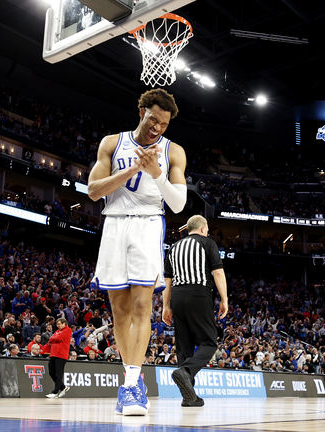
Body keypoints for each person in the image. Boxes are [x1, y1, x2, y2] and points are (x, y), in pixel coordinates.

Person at [87, 88, 187, 416]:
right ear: (141, 109)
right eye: (153, 119)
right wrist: (131, 170)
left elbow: (178, 204)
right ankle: (133, 377)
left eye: (164, 123)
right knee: (120, 310)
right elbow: (93, 191)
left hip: (147, 224)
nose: (158, 127)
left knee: (143, 305)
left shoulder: (174, 153)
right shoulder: (112, 143)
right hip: (114, 223)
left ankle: (130, 386)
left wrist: (156, 173)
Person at [162, 215, 228, 408]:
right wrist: (224, 299)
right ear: (202, 229)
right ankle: (187, 371)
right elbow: (217, 272)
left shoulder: (173, 248)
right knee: (209, 342)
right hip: (199, 293)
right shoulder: (207, 243)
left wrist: (166, 306)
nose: (207, 233)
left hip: (177, 297)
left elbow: (168, 280)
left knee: (184, 347)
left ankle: (189, 396)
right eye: (207, 230)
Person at [46, 318, 72, 399]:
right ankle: (63, 387)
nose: (58, 326)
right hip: (53, 353)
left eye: (60, 324)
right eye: (57, 324)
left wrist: (56, 338)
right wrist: (56, 338)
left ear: (64, 323)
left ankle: (55, 392)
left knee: (58, 373)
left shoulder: (68, 330)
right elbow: (50, 339)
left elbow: (56, 338)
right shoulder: (57, 331)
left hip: (61, 354)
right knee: (51, 372)